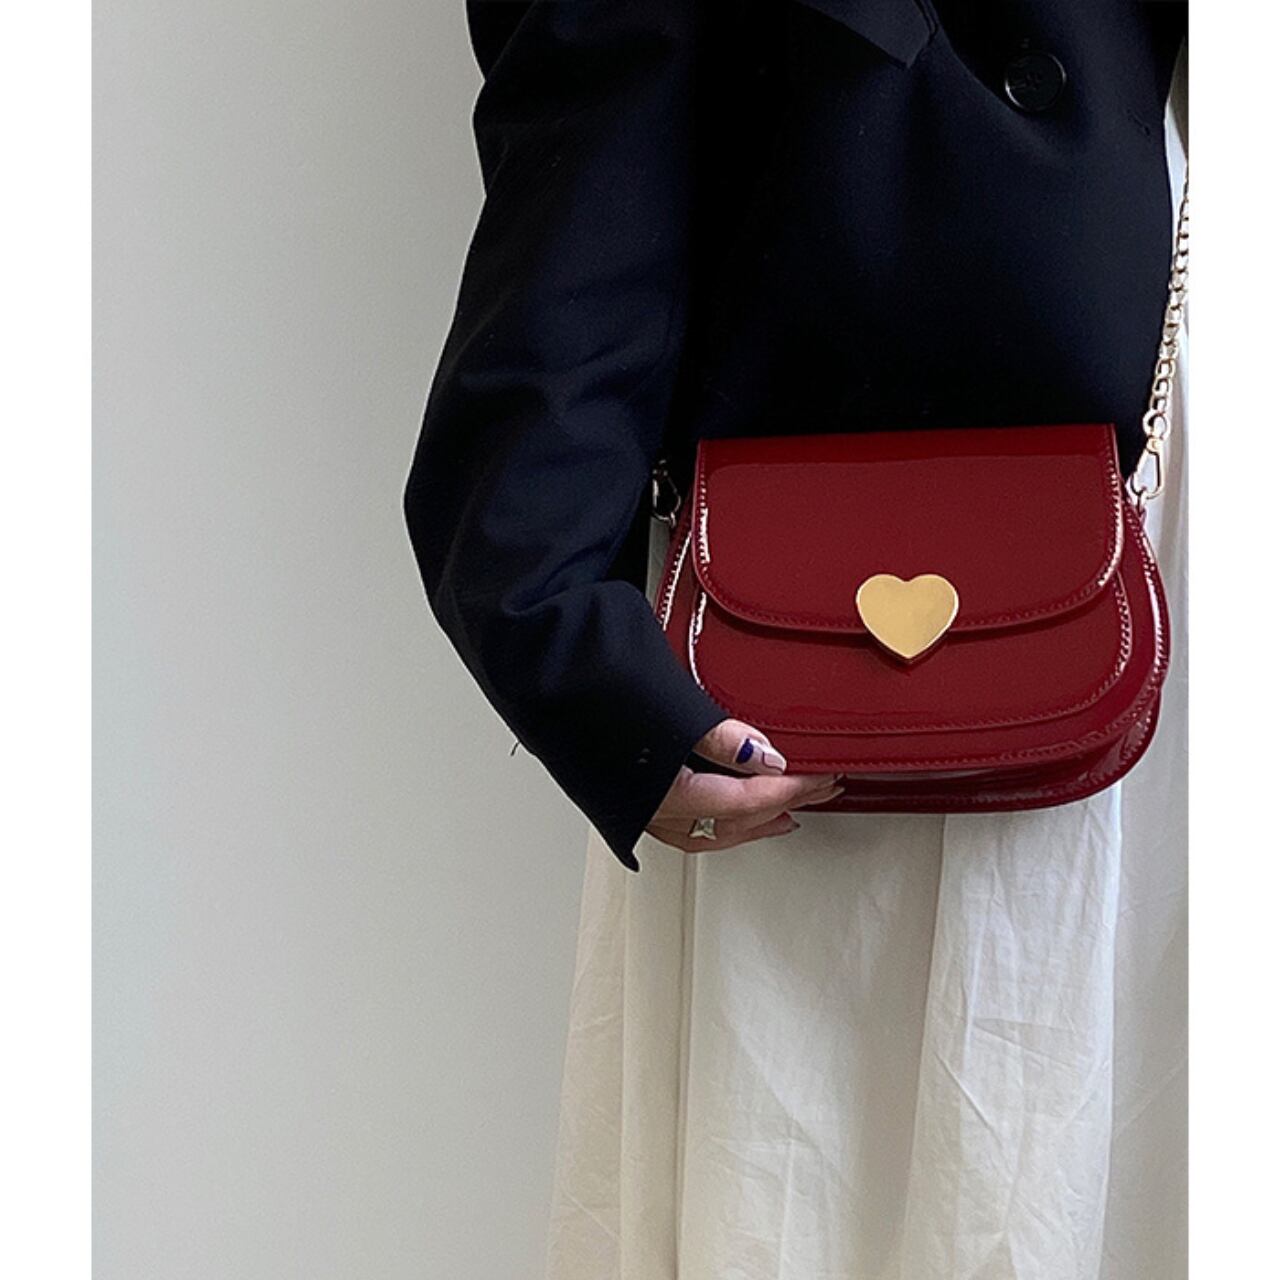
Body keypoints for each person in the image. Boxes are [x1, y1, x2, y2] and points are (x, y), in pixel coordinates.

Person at [404, 2, 1188, 1274]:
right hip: (828, 592)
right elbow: (594, 81)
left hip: (1168, 491)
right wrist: (561, 635)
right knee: (858, 1178)